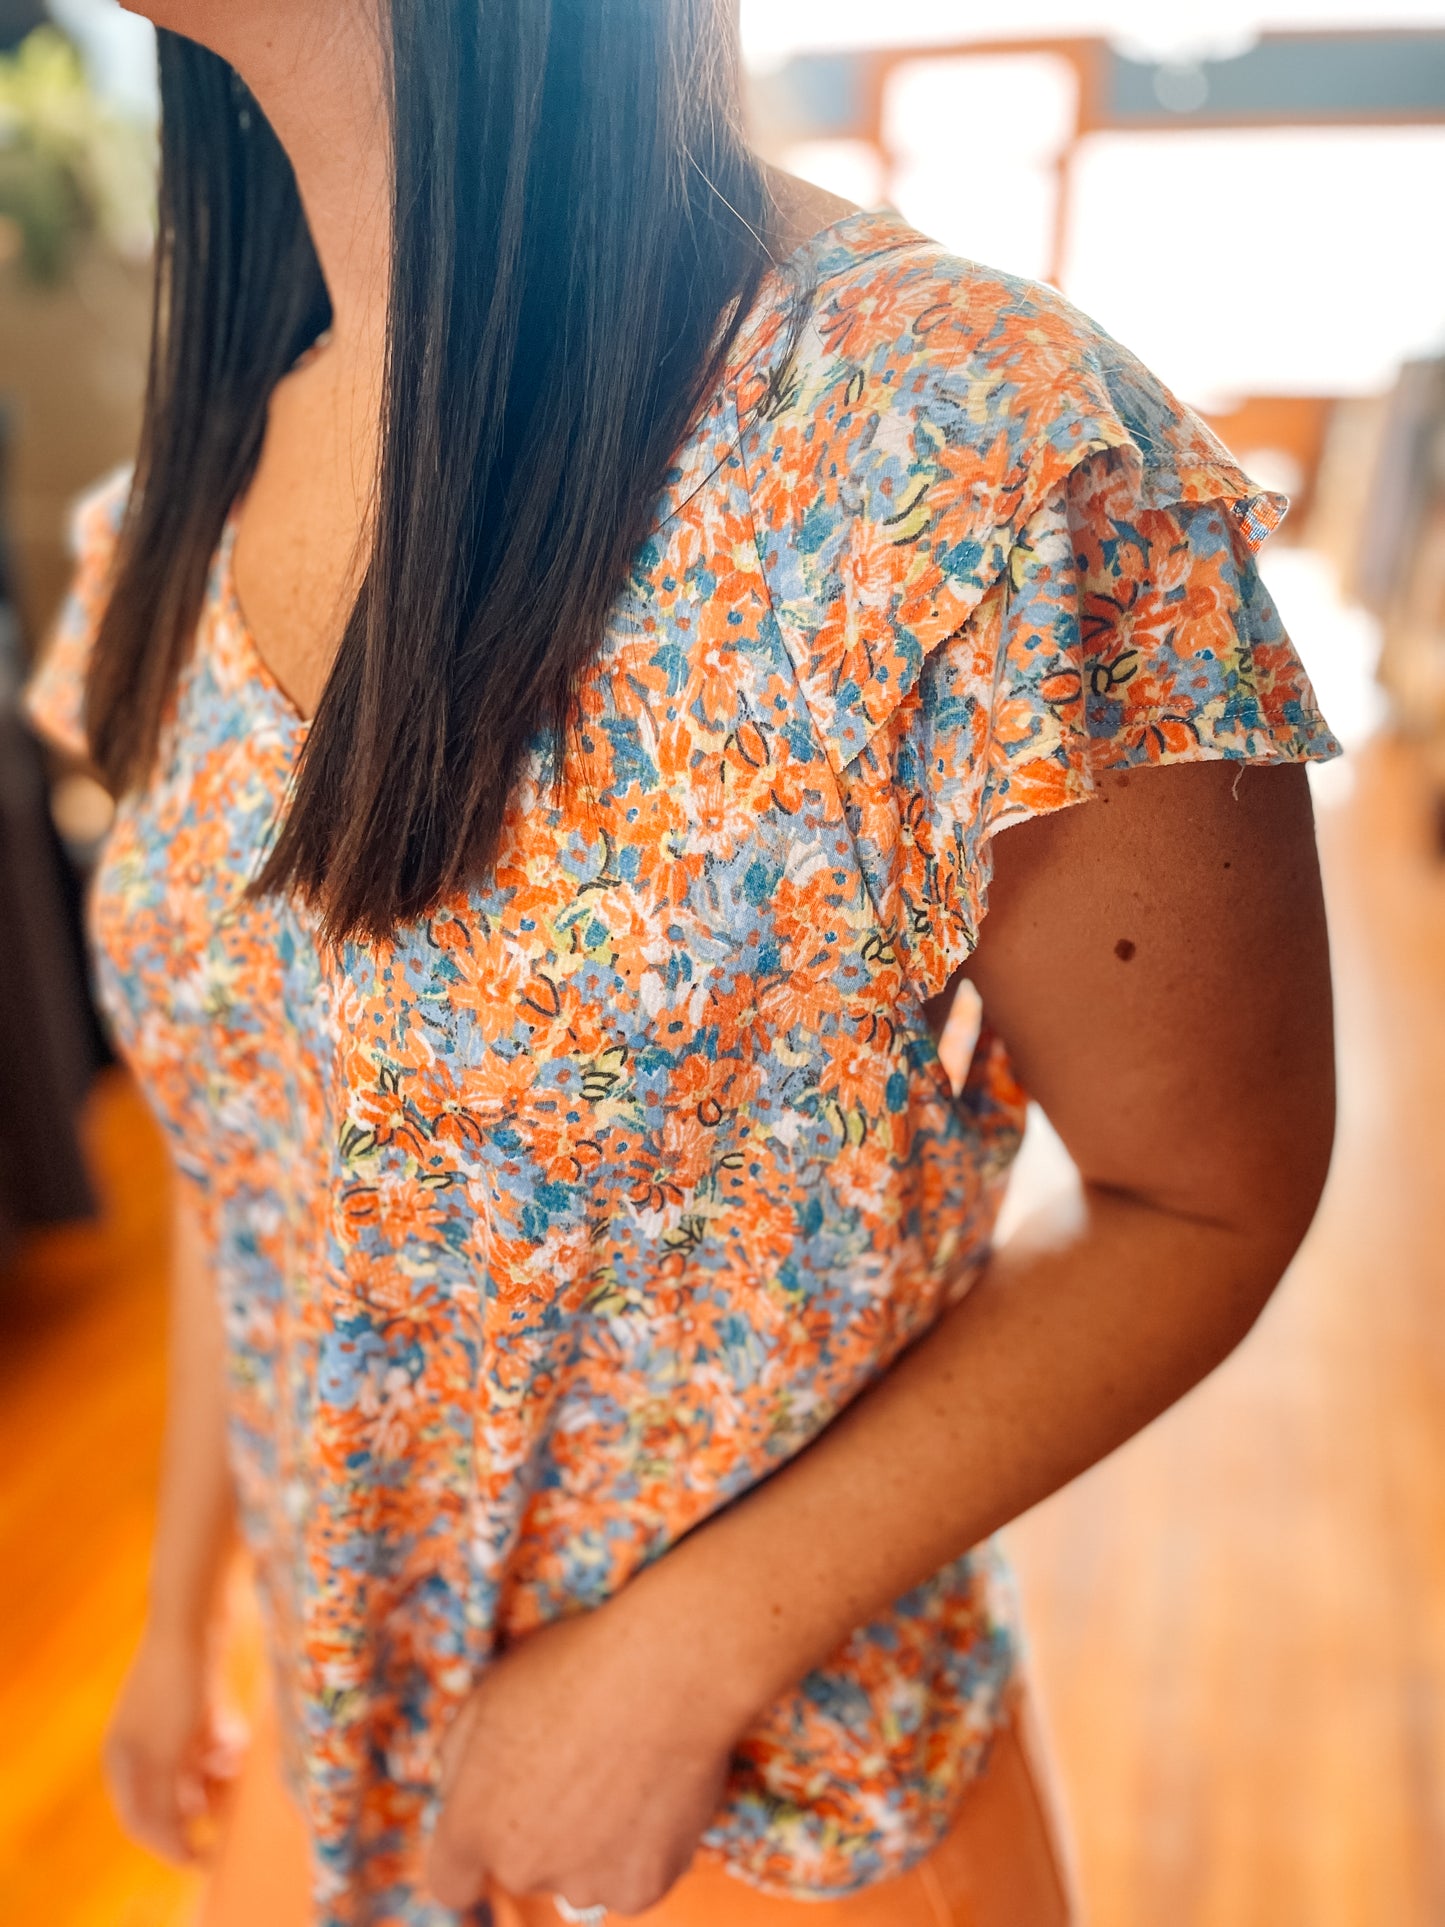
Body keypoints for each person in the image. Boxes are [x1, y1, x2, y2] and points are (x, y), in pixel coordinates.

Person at [24, 3, 1340, 1924]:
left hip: (760, 1806)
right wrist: (174, 1607)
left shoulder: (966, 457)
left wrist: (666, 1667)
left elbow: (1206, 1196)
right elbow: (265, 1162)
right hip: (331, 1761)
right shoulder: (186, 493)